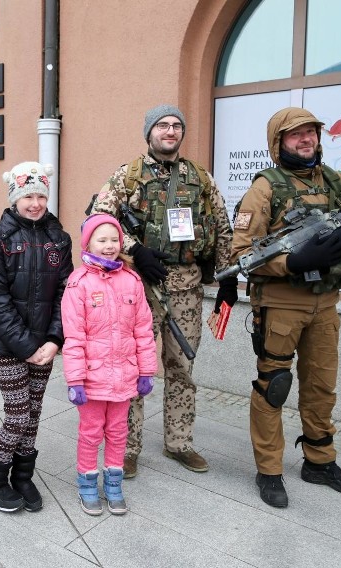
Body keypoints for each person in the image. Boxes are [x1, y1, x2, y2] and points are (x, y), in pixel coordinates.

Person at [231, 107, 341, 508]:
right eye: (295, 135)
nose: (306, 140)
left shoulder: (338, 182)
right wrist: (292, 262)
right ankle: (269, 469)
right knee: (273, 386)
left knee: (320, 386)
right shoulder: (264, 188)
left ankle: (319, 460)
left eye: (311, 133)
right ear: (278, 143)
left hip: (326, 303)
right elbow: (243, 252)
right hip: (282, 303)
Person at [90, 104, 237, 476]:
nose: (170, 131)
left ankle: (179, 442)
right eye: (162, 125)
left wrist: (228, 278)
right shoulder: (129, 176)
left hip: (187, 286)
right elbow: (98, 218)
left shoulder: (200, 178)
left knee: (182, 367)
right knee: (133, 367)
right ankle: (127, 447)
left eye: (176, 126)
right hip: (140, 287)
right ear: (149, 133)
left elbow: (221, 226)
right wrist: (133, 248)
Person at [0, 161, 73, 513]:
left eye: (40, 195)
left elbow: (67, 292)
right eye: (27, 195)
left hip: (44, 346)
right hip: (8, 344)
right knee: (17, 413)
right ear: (14, 197)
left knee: (33, 414)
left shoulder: (59, 239)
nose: (35, 202)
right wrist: (28, 346)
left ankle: (23, 475)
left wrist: (54, 340)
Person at [62, 214, 158, 516]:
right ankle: (88, 483)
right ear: (88, 243)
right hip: (91, 379)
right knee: (91, 432)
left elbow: (143, 329)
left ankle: (114, 483)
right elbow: (73, 335)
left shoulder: (132, 281)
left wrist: (146, 371)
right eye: (101, 240)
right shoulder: (79, 283)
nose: (109, 246)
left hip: (124, 377)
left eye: (114, 239)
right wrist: (74, 379)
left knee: (118, 432)